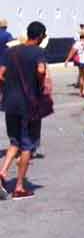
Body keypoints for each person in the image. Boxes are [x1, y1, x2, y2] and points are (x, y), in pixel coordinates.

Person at [0, 21, 50, 200]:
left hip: (10, 104)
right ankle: (19, 187)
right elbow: (41, 70)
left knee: (14, 142)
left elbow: (0, 74)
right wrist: (40, 79)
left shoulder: (10, 51)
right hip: (29, 105)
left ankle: (3, 173)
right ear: (40, 36)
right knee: (28, 145)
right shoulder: (38, 52)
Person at [64, 30, 84, 97]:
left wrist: (67, 60)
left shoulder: (77, 43)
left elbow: (72, 52)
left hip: (79, 61)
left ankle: (81, 91)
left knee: (81, 76)